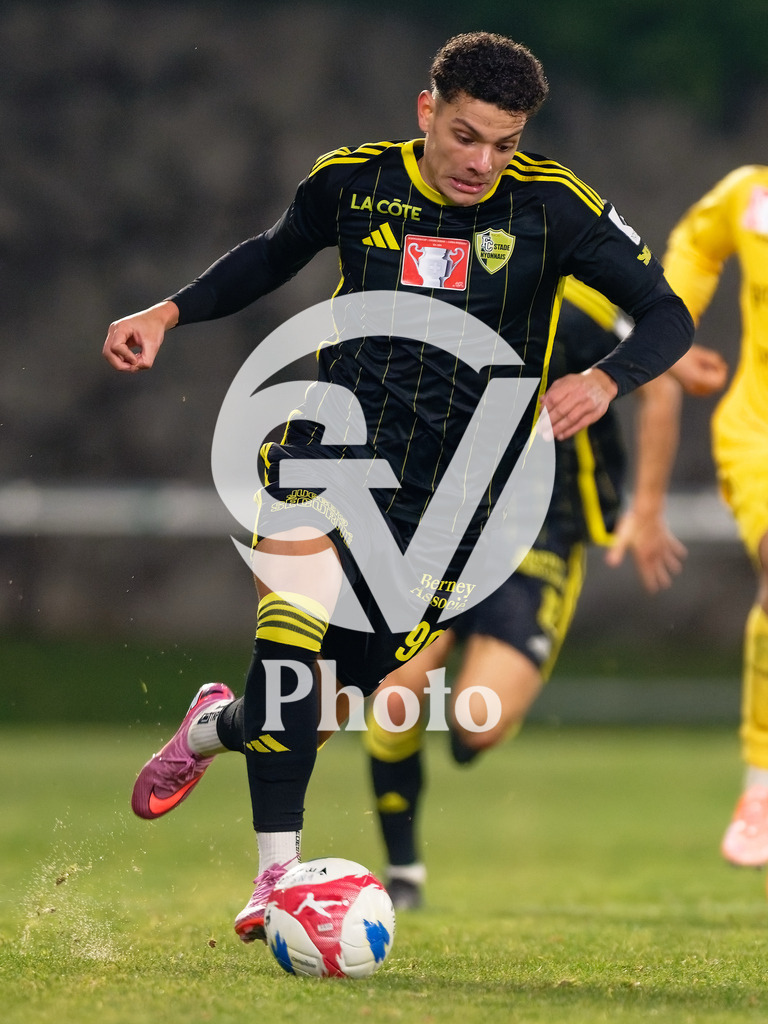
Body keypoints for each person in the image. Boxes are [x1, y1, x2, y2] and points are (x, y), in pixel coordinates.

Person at [102, 32, 693, 944]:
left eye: (504, 143)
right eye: (466, 136)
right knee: (294, 641)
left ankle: (217, 726)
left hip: (450, 510)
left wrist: (609, 377)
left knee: (333, 696)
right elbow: (269, 254)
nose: (482, 161)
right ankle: (276, 878)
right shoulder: (354, 182)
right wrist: (167, 311)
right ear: (428, 111)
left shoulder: (554, 210)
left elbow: (669, 313)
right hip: (324, 456)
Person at [364, 277, 722, 909]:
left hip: (541, 538)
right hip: (437, 533)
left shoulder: (569, 304)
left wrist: (647, 508)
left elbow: (661, 376)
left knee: (477, 724)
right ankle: (404, 874)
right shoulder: (409, 293)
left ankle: (470, 681)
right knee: (394, 699)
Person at [662, 166, 768, 871]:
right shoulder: (749, 195)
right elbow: (696, 247)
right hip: (758, 429)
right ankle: (762, 783)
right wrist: (673, 328)